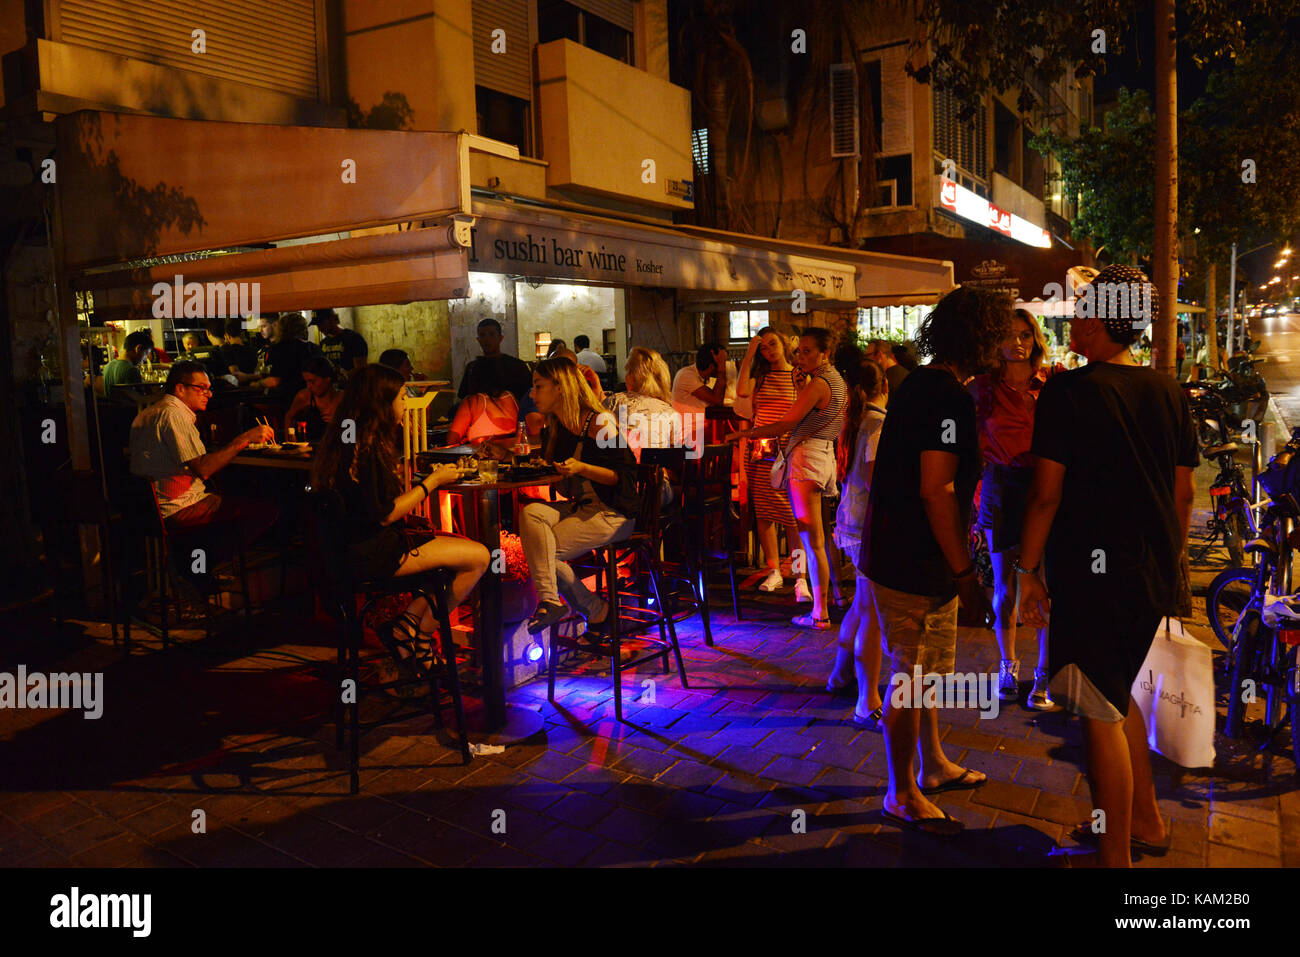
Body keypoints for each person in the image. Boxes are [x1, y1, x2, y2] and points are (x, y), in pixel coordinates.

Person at [1017, 265, 1197, 867]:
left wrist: (1027, 571)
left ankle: (1115, 859)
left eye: (1079, 309)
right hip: (1148, 572)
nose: (1073, 318)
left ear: (1097, 321)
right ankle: (1143, 821)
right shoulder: (1168, 391)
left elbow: (1046, 494)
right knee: (1120, 699)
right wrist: (1167, 562)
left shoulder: (1068, 392)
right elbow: (1184, 496)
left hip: (1093, 577)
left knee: (1098, 712)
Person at [861, 286, 1007, 834]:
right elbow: (937, 488)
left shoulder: (922, 383)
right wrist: (965, 572)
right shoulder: (947, 397)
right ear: (980, 338)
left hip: (896, 551)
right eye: (998, 334)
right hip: (915, 561)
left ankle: (934, 763)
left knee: (920, 672)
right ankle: (900, 792)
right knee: (912, 676)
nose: (1004, 346)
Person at [311, 364, 490, 678]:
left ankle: (409, 631)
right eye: (401, 396)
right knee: (479, 557)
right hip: (371, 554)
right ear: (382, 402)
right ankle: (415, 633)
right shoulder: (363, 448)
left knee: (452, 549)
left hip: (348, 553)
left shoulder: (345, 439)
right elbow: (384, 514)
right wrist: (432, 481)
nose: (406, 403)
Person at [727, 327, 846, 629]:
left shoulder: (820, 382)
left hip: (806, 459)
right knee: (810, 534)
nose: (800, 356)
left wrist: (746, 432)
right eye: (800, 350)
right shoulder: (832, 379)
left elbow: (787, 422)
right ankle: (828, 598)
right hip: (817, 456)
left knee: (810, 537)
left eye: (807, 351)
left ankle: (817, 608)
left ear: (824, 353)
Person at [968, 308, 1058, 711]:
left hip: (1045, 485)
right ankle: (1007, 665)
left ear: (1035, 340)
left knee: (1045, 584)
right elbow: (967, 447)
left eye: (1025, 335)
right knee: (1005, 587)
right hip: (1001, 485)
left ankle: (1043, 673)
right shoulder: (982, 389)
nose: (1018, 343)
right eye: (1010, 335)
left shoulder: (1052, 384)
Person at [129, 361, 279, 590]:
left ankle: (196, 566)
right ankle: (196, 567)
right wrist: (245, 438)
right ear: (180, 389)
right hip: (178, 507)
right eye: (201, 387)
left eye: (209, 388)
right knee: (265, 510)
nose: (208, 393)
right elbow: (204, 469)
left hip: (147, 509)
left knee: (227, 497)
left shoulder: (146, 414)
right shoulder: (173, 415)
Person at [520, 356, 640, 636]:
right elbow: (560, 479)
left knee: (542, 551)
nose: (531, 393)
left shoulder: (600, 422)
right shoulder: (559, 426)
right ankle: (557, 602)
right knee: (531, 514)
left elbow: (624, 476)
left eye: (538, 386)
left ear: (559, 387)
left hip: (614, 512)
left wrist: (582, 467)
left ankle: (591, 609)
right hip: (581, 507)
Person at [828, 356, 888, 728]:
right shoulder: (878, 424)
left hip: (851, 521)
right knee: (872, 613)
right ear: (886, 387)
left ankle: (840, 675)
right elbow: (872, 480)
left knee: (861, 606)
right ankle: (868, 700)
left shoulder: (859, 421)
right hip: (866, 524)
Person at [735, 327, 810, 601]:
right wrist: (749, 354)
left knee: (794, 518)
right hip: (761, 452)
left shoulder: (798, 375)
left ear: (783, 343)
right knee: (765, 516)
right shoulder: (760, 376)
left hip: (789, 452)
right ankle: (774, 570)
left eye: (772, 344)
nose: (769, 350)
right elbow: (742, 391)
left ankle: (801, 576)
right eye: (763, 347)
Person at [603, 347, 681, 460]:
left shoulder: (614, 402)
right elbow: (675, 456)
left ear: (635, 377)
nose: (625, 376)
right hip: (657, 475)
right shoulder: (672, 414)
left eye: (628, 371)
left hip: (623, 475)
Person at [459, 317, 532, 404]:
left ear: (500, 338)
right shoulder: (472, 368)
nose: (487, 339)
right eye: (482, 335)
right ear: (478, 340)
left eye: (491, 334)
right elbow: (466, 398)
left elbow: (528, 398)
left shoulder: (517, 366)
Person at [256, 312, 320, 398]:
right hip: (312, 398)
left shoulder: (278, 349)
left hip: (284, 400)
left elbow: (275, 381)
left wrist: (258, 384)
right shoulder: (313, 348)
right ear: (303, 329)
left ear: (282, 329)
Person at [284, 355, 344, 442]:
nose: (308, 386)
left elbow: (351, 438)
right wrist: (290, 442)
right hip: (310, 449)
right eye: (306, 382)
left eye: (312, 382)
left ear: (327, 379)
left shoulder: (342, 398)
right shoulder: (304, 397)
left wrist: (339, 421)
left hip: (336, 449)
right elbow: (289, 417)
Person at [446, 389, 519, 447]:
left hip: (485, 461)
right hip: (513, 459)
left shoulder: (473, 401)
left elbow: (451, 441)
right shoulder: (510, 396)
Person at [671, 343, 728, 416]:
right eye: (723, 363)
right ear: (711, 367)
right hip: (691, 426)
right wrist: (721, 368)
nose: (725, 366)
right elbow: (717, 400)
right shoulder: (686, 375)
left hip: (700, 425)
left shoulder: (703, 377)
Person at [312, 308, 368, 378]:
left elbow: (361, 370)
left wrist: (344, 375)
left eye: (321, 323)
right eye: (317, 324)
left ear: (332, 319)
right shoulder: (323, 343)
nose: (319, 328)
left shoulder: (354, 338)